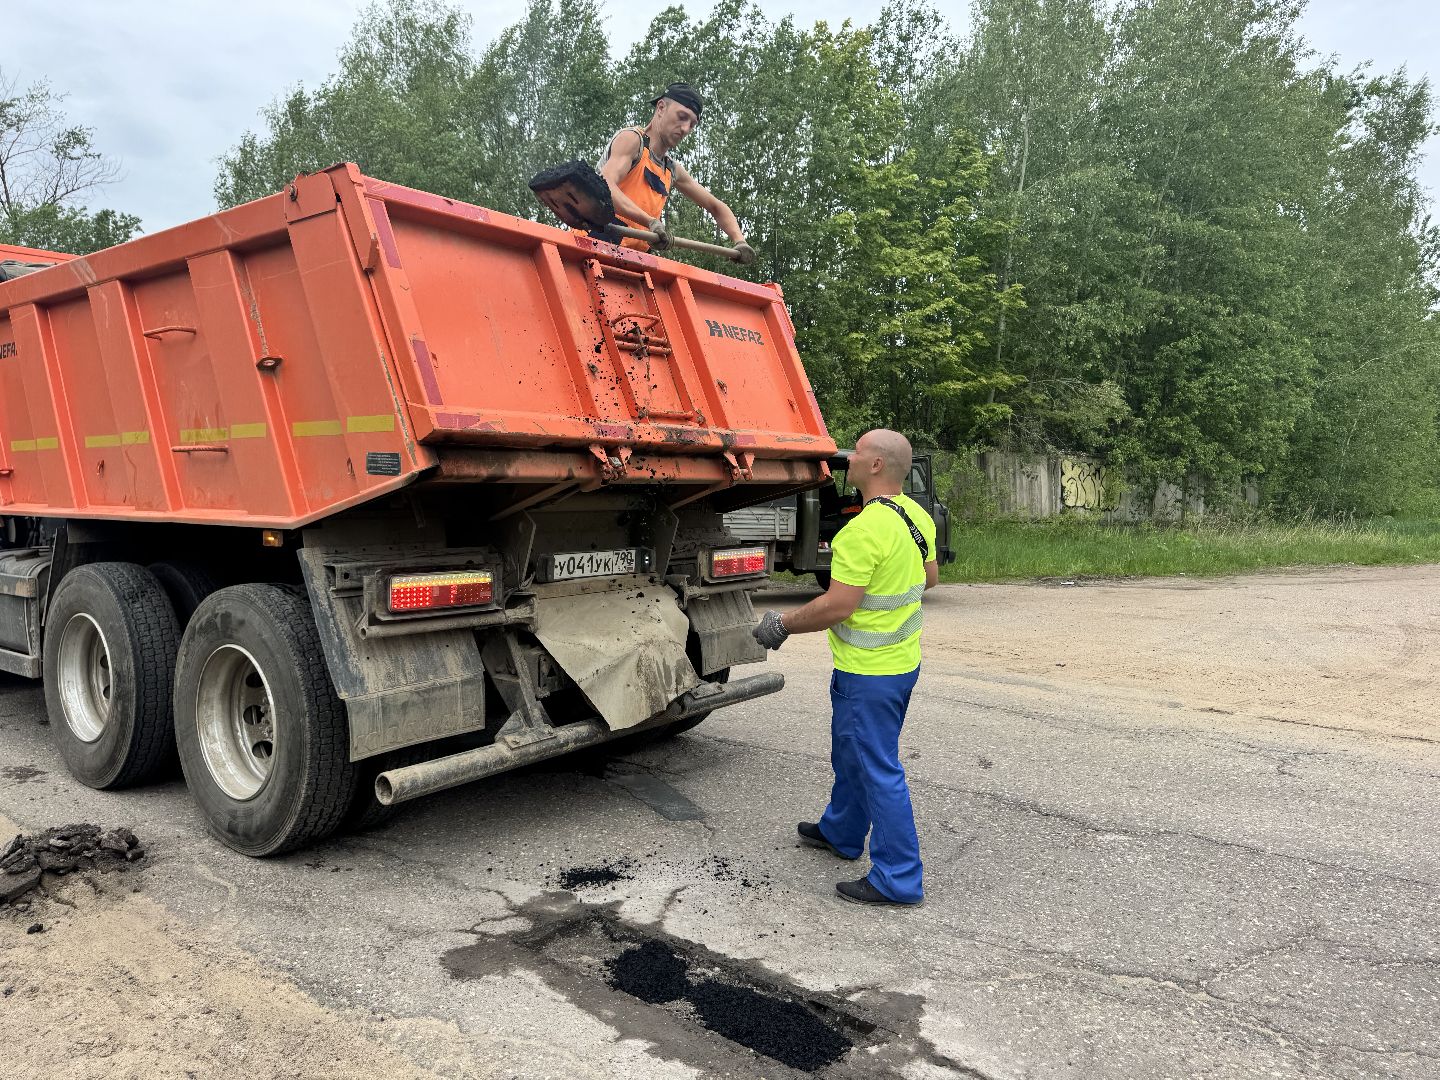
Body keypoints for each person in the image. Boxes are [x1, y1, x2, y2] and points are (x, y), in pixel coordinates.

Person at [752, 429, 939, 906]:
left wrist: (782, 624)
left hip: (868, 674)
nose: (847, 458)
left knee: (877, 768)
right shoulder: (917, 516)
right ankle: (842, 831)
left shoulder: (861, 530)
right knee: (852, 753)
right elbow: (930, 577)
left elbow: (837, 606)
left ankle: (897, 878)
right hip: (899, 665)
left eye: (855, 451)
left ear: (875, 465)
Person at [591, 82, 754, 263]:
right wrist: (651, 222)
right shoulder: (632, 141)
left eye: (692, 124)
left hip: (630, 260)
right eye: (682, 117)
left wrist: (740, 241)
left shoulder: (670, 170)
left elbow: (716, 207)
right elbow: (605, 186)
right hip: (593, 245)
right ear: (661, 107)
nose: (685, 129)